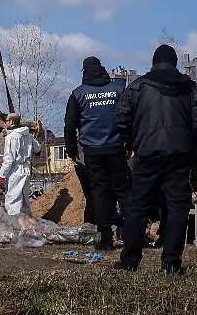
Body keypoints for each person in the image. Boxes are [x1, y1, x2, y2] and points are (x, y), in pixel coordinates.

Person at [113, 44, 197, 273]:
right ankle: (171, 263)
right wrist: (191, 147)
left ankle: (129, 260)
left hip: (147, 154)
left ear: (154, 62)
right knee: (177, 208)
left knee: (137, 207)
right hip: (180, 156)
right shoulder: (191, 88)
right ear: (174, 62)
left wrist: (131, 143)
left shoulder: (138, 87)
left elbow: (120, 119)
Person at [64, 56, 130, 250]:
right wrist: (131, 144)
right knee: (124, 192)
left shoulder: (78, 94)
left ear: (84, 72)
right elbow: (129, 118)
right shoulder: (118, 90)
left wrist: (71, 151)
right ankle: (134, 234)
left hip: (92, 151)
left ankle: (106, 239)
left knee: (99, 194)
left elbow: (70, 125)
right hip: (117, 149)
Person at [0, 113, 42, 216]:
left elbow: (8, 159)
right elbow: (37, 148)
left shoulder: (12, 136)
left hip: (15, 171)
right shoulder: (28, 135)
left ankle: (15, 226)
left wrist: (1, 175)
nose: (5, 123)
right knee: (25, 199)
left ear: (12, 122)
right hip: (26, 170)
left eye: (7, 121)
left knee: (13, 200)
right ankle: (27, 225)